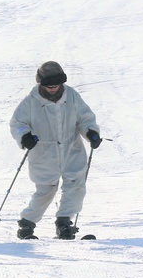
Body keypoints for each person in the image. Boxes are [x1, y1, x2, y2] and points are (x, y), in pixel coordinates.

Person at [10, 61, 101, 240]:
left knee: (76, 185)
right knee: (46, 189)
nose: (52, 89)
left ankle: (64, 223)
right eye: (49, 86)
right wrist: (24, 136)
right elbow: (17, 123)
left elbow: (85, 118)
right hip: (43, 151)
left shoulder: (72, 96)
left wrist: (91, 132)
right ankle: (26, 225)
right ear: (41, 83)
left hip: (71, 149)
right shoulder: (31, 101)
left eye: (56, 85)